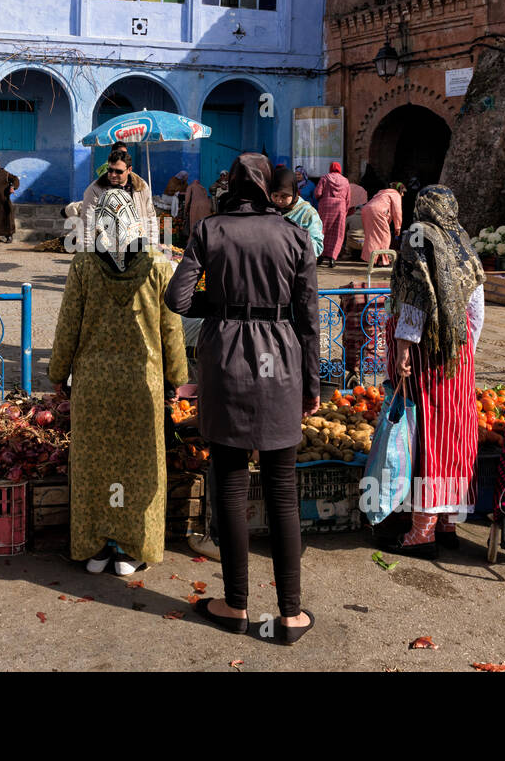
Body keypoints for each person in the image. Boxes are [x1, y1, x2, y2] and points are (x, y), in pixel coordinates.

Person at [165, 153, 319, 645]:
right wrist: (312, 386)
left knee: (230, 487)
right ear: (268, 185)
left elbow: (178, 299)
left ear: (233, 184)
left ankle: (234, 605)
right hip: (283, 360)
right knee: (282, 493)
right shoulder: (295, 233)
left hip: (227, 359)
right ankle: (290, 615)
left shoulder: (210, 230)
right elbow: (310, 316)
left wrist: (227, 305)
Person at [49, 188, 188, 576]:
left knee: (96, 469)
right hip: (142, 385)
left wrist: (59, 374)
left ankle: (96, 547)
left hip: (93, 387)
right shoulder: (159, 267)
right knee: (139, 469)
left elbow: (67, 327)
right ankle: (131, 548)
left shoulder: (84, 266)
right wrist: (177, 378)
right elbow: (171, 330)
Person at [378, 185, 486, 558]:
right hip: (458, 354)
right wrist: (466, 349)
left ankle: (420, 534)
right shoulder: (463, 242)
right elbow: (476, 307)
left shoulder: (417, 238)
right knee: (457, 435)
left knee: (429, 438)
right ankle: (448, 525)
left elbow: (414, 298)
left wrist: (405, 348)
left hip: (427, 354)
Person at [81, 148, 157, 242]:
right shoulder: (95, 189)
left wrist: (152, 246)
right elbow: (88, 223)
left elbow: (150, 218)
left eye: (118, 171)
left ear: (129, 170)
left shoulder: (141, 187)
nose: (113, 175)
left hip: (136, 244)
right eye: (110, 170)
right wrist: (88, 252)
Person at [270, 166, 324, 258]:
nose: (279, 200)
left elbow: (318, 247)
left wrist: (293, 240)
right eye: (275, 195)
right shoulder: (268, 208)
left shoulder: (308, 214)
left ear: (294, 192)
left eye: (284, 196)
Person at [313, 161, 350, 267]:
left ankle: (320, 256)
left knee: (322, 230)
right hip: (340, 207)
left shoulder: (325, 178)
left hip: (325, 206)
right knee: (337, 232)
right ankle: (332, 258)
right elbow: (348, 198)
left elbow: (317, 193)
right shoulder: (345, 181)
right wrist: (345, 210)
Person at [361, 184, 403, 266]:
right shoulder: (395, 194)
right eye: (403, 192)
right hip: (377, 212)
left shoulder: (382, 193)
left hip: (366, 210)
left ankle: (372, 260)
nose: (403, 194)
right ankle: (383, 261)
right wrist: (398, 227)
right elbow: (397, 212)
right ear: (399, 190)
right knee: (385, 236)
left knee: (371, 236)